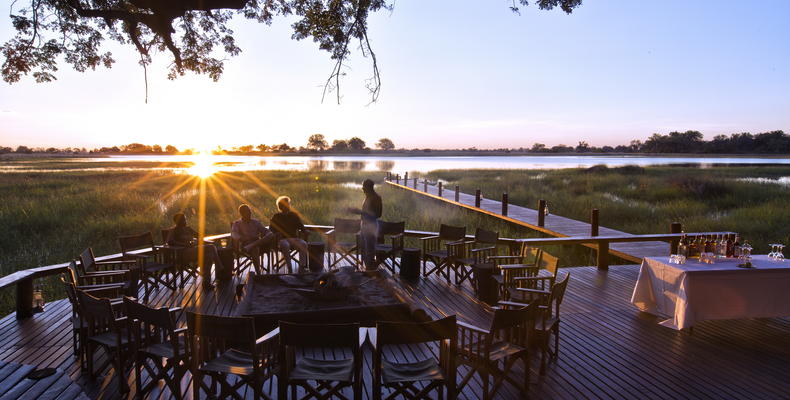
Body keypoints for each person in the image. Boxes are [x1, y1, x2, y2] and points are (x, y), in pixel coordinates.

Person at [166, 213, 227, 289]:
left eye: (185, 219)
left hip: (193, 250)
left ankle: (206, 283)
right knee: (211, 247)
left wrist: (195, 240)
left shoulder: (188, 228)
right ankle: (220, 268)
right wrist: (184, 244)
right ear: (178, 221)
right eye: (183, 219)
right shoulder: (173, 230)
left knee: (209, 256)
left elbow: (199, 236)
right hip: (183, 253)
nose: (185, 221)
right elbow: (170, 241)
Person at [348, 179, 382, 270]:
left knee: (370, 250)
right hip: (364, 225)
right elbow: (365, 212)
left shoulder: (376, 198)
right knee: (364, 248)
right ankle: (366, 269)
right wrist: (358, 212)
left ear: (369, 187)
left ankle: (370, 270)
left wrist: (359, 212)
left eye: (364, 187)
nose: (362, 189)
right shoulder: (368, 196)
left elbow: (378, 214)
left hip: (371, 226)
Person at [231, 204, 275, 273]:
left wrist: (268, 233)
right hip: (246, 244)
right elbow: (234, 234)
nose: (250, 213)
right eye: (248, 212)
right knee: (255, 249)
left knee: (270, 234)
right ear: (242, 213)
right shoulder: (237, 224)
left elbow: (264, 230)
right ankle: (258, 273)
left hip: (258, 242)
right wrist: (242, 238)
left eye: (250, 211)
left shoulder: (256, 222)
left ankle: (253, 245)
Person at [270, 196, 308, 272]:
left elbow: (301, 226)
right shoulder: (276, 217)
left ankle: (302, 266)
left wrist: (305, 231)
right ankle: (289, 267)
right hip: (283, 239)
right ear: (281, 206)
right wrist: (276, 234)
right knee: (285, 245)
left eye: (289, 204)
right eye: (287, 204)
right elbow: (271, 229)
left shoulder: (294, 215)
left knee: (303, 244)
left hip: (294, 238)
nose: (289, 206)